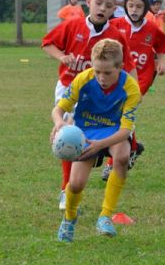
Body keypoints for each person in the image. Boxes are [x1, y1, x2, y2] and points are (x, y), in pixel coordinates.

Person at [42, 0, 136, 210]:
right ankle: (66, 189)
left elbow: (128, 67)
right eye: (99, 3)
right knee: (67, 135)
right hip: (68, 88)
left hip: (98, 93)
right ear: (89, 3)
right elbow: (47, 43)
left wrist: (134, 93)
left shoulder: (115, 36)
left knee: (96, 133)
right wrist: (62, 57)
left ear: (115, 9)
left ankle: (107, 156)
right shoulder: (73, 26)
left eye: (109, 5)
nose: (103, 8)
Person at [53, 39, 141, 241]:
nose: (101, 77)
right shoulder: (83, 79)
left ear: (120, 67)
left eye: (107, 73)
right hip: (86, 131)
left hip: (114, 131)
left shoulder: (130, 87)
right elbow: (58, 109)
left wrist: (101, 145)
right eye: (97, 71)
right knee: (76, 184)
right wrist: (59, 123)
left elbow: (126, 129)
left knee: (121, 157)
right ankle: (69, 218)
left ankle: (105, 216)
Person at [103, 0, 165, 182]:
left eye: (138, 6)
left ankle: (113, 163)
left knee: (121, 114)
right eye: (130, 5)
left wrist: (162, 62)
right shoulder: (114, 25)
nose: (133, 9)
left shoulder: (151, 29)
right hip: (116, 79)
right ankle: (132, 148)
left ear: (146, 9)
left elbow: (162, 45)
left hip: (140, 80)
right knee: (120, 117)